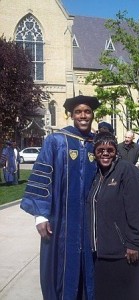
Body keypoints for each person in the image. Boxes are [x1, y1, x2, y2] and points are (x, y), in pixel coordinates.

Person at [20, 95, 101, 300]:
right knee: (59, 264)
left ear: (92, 115)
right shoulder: (56, 140)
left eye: (87, 111)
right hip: (61, 220)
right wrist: (40, 216)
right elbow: (42, 176)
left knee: (89, 266)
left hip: (90, 220)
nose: (83, 115)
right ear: (71, 115)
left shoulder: (97, 143)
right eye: (78, 112)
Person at [87, 131, 139, 300]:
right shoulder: (97, 174)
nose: (105, 153)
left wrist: (134, 243)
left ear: (116, 151)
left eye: (110, 149)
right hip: (103, 253)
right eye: (100, 150)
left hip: (125, 253)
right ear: (94, 153)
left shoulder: (126, 170)